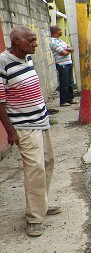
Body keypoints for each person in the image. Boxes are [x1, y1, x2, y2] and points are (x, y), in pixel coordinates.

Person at [0, 26, 61, 237]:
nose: (35, 44)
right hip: (24, 127)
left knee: (47, 163)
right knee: (35, 169)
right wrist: (11, 131)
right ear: (17, 41)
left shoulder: (27, 58)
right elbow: (0, 101)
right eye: (31, 40)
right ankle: (34, 218)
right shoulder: (2, 62)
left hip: (41, 121)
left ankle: (41, 206)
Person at [49, 25, 75, 106]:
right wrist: (67, 50)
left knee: (70, 82)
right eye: (60, 30)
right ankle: (63, 101)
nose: (61, 31)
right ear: (56, 31)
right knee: (64, 83)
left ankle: (70, 99)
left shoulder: (60, 41)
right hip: (62, 64)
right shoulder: (52, 42)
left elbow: (71, 49)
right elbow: (63, 53)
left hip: (68, 63)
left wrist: (66, 50)